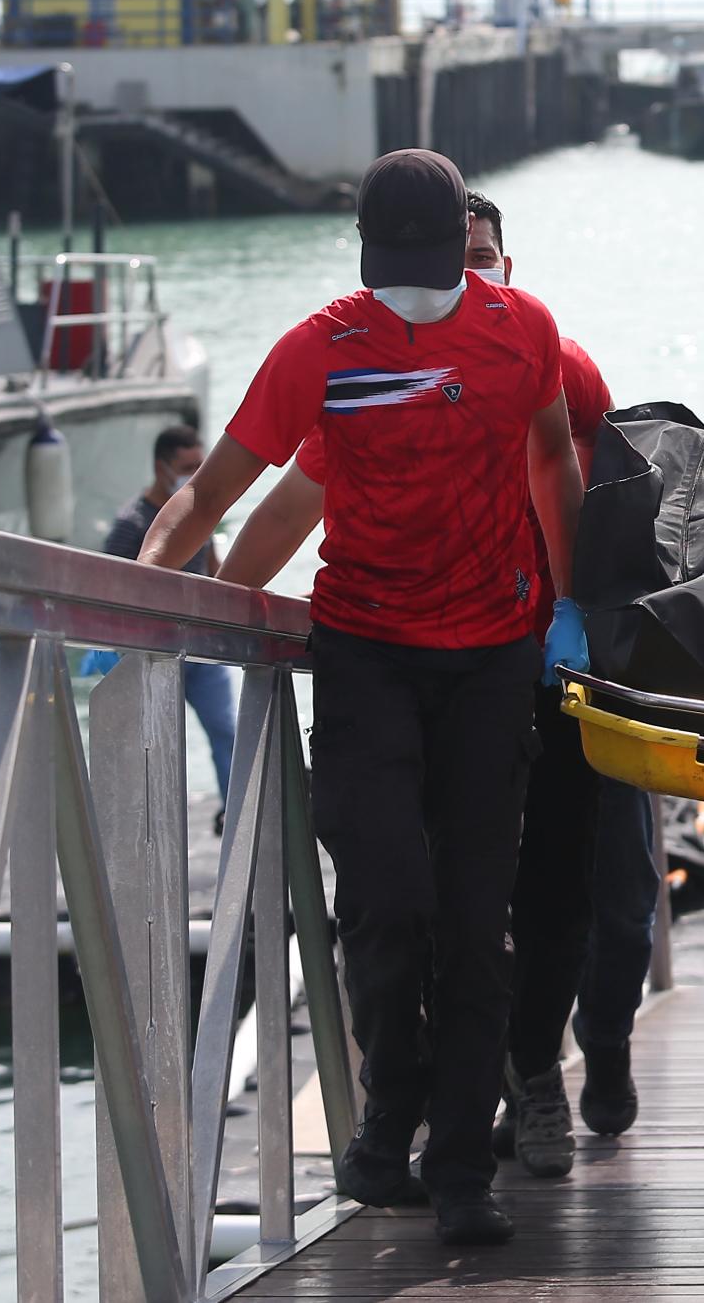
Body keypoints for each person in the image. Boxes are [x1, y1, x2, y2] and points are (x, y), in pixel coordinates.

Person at [139, 149, 588, 1248]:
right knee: (386, 899)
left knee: (478, 921)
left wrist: (570, 609)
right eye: (393, 267)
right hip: (367, 653)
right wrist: (144, 590)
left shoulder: (522, 330)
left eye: (430, 266)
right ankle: (389, 1116)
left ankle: (460, 1162)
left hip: (491, 655)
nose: (413, 284)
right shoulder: (320, 347)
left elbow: (552, 461)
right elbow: (221, 487)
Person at [219, 191, 662, 1180]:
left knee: (574, 895)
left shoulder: (551, 356)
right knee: (414, 894)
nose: (456, 271)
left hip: (556, 661)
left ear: (505, 261)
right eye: (442, 252)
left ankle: (547, 1068)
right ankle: (423, 1101)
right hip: (421, 659)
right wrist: (196, 607)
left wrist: (577, 607)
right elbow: (298, 491)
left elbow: (597, 482)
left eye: (478, 253)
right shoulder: (365, 367)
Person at [100, 425, 238, 805]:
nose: (197, 473)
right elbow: (106, 586)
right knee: (150, 743)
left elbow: (215, 571)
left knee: (226, 730)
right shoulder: (131, 523)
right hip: (151, 650)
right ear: (161, 467)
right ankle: (138, 815)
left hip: (201, 649)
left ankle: (235, 811)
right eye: (188, 465)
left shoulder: (201, 512)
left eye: (201, 464)